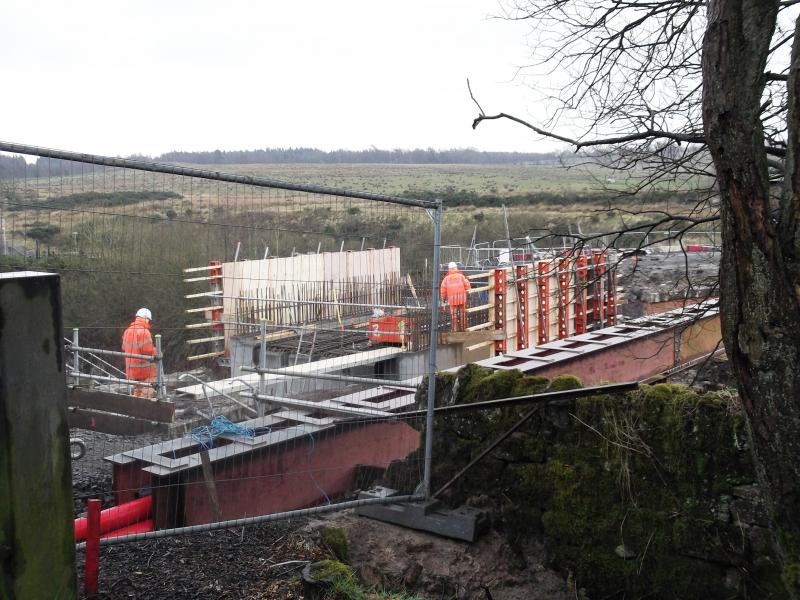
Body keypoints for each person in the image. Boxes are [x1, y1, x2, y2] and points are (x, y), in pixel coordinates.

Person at [122, 308, 157, 398]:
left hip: (131, 370)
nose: (149, 322)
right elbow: (148, 351)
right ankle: (143, 409)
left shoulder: (127, 331)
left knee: (137, 391)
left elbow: (123, 347)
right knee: (147, 392)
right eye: (149, 320)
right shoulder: (144, 332)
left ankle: (134, 409)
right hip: (144, 370)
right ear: (146, 318)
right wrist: (157, 351)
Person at [440, 262, 471, 332]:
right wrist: (468, 294)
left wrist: (443, 299)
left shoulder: (446, 279)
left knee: (454, 315)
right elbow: (467, 286)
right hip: (462, 298)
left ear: (449, 269)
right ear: (456, 268)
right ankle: (464, 328)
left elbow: (443, 290)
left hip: (452, 299)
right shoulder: (461, 276)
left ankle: (455, 329)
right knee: (463, 314)